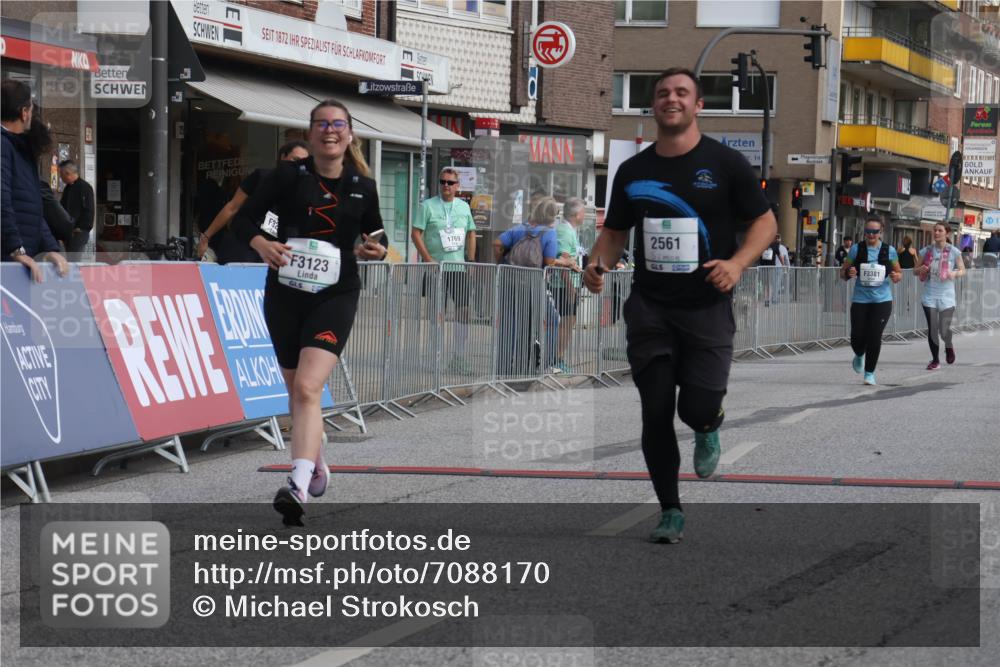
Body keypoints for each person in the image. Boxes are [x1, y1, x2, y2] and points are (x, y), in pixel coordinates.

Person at [583, 68, 776, 544]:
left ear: (698, 105)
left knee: (697, 405)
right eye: (663, 93)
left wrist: (737, 263)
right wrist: (596, 265)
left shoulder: (726, 164)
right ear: (654, 105)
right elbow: (613, 234)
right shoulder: (632, 171)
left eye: (682, 93)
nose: (672, 99)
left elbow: (766, 223)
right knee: (654, 411)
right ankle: (670, 509)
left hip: (707, 306)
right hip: (651, 307)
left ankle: (709, 424)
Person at [232, 99, 388, 526]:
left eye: (338, 124)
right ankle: (316, 463)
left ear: (350, 134)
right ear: (312, 132)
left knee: (306, 387)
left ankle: (297, 482)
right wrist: (262, 244)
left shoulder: (363, 185)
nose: (330, 130)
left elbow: (377, 235)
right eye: (322, 124)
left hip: (336, 294)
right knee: (297, 391)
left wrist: (376, 248)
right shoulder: (285, 177)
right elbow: (242, 221)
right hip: (285, 293)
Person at [197, 140, 309, 262]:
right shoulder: (261, 176)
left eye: (303, 162)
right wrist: (206, 236)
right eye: (295, 159)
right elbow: (232, 207)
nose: (298, 166)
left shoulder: (306, 189)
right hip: (243, 246)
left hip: (275, 252)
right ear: (283, 157)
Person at [412, 166, 477, 375]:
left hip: (457, 268)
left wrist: (472, 261)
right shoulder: (427, 206)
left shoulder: (463, 207)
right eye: (442, 182)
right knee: (436, 314)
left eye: (450, 183)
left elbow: (471, 233)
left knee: (464, 313)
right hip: (435, 269)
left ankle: (458, 357)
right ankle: (435, 356)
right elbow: (415, 233)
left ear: (458, 186)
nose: (446, 186)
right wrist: (428, 259)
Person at [1, 80, 68, 282]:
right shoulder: (4, 146)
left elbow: (33, 207)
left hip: (19, 265)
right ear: (24, 112)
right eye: (31, 106)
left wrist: (49, 247)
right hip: (8, 265)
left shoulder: (21, 149)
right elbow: (2, 200)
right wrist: (16, 249)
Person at [494, 196, 562, 376]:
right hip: (533, 284)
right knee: (549, 320)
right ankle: (538, 365)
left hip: (510, 281)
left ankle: (503, 369)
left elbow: (497, 243)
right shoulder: (549, 233)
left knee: (509, 324)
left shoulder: (519, 229)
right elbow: (548, 261)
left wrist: (501, 262)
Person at [840, 217, 902, 386]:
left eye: (875, 231)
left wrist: (897, 276)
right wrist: (848, 274)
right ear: (864, 232)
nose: (871, 234)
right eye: (868, 231)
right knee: (857, 336)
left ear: (880, 232)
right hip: (860, 299)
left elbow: (898, 272)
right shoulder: (856, 249)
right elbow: (843, 272)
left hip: (882, 300)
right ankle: (859, 353)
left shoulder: (889, 251)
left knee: (874, 337)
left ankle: (869, 373)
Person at [915, 222, 965, 370]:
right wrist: (922, 269)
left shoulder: (954, 251)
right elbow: (914, 270)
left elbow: (963, 270)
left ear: (947, 233)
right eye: (935, 230)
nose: (936, 233)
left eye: (940, 230)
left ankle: (948, 346)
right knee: (932, 328)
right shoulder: (926, 251)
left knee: (944, 329)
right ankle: (935, 360)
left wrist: (954, 273)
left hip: (947, 296)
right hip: (929, 294)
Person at [550, 197, 586, 374]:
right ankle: (557, 360)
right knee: (566, 321)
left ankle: (559, 358)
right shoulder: (565, 231)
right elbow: (564, 260)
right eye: (583, 212)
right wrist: (571, 288)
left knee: (569, 321)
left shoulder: (570, 230)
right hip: (562, 286)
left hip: (568, 284)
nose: (585, 216)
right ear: (577, 214)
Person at [58, 159, 95, 254]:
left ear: (67, 173)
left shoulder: (85, 187)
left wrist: (81, 227)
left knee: (74, 261)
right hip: (68, 232)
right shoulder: (68, 188)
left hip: (79, 233)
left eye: (61, 174)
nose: (60, 177)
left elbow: (89, 210)